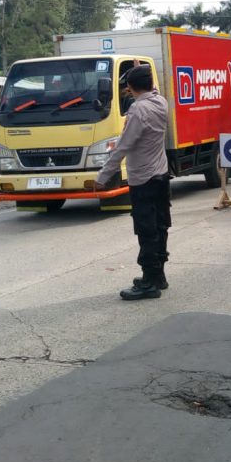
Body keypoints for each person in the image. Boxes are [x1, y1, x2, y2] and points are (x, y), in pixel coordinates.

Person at [94, 65, 171, 300]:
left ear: (129, 87)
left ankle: (149, 282)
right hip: (161, 175)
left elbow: (123, 146)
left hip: (143, 178)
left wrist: (103, 177)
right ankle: (159, 275)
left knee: (146, 230)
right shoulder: (161, 103)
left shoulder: (138, 111)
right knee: (160, 225)